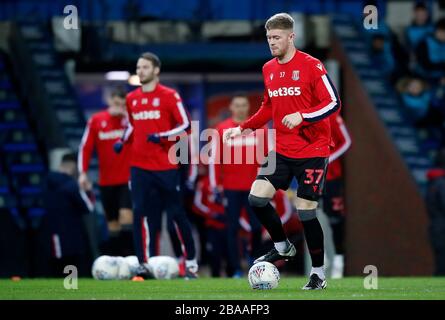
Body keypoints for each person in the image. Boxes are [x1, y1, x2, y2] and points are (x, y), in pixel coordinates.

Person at [223, 13, 341, 290]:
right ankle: (282, 246)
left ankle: (319, 275)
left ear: (291, 37)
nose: (272, 43)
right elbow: (268, 107)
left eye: (276, 38)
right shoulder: (268, 69)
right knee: (257, 198)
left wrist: (303, 116)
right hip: (284, 149)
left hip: (313, 149)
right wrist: (242, 128)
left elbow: (333, 102)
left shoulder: (312, 65)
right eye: (268, 39)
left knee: (306, 211)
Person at [123, 52, 198, 279]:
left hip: (165, 166)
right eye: (138, 67)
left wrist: (163, 136)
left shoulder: (169, 95)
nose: (140, 71)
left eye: (145, 67)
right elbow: (133, 125)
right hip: (139, 165)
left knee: (176, 215)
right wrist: (121, 140)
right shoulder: (131, 98)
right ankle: (142, 264)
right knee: (139, 213)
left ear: (156, 70)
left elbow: (186, 124)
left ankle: (191, 263)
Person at [209, 93, 266, 277]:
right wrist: (215, 185)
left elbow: (268, 158)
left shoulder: (259, 129)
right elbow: (215, 159)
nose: (240, 108)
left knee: (257, 227)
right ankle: (235, 269)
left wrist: (267, 182)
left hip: (254, 187)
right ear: (231, 108)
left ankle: (255, 263)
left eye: (244, 105)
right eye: (237, 105)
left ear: (248, 108)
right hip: (231, 187)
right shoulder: (221, 129)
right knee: (232, 228)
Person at [78, 88, 134, 256]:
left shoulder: (130, 122)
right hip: (106, 181)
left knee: (126, 219)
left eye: (123, 104)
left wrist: (127, 115)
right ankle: (116, 262)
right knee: (113, 225)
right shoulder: (97, 120)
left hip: (127, 179)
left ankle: (131, 260)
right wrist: (83, 172)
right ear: (110, 101)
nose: (119, 107)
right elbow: (85, 147)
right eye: (117, 103)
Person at [41, 152, 93, 277]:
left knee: (57, 264)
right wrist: (89, 191)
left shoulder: (47, 181)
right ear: (74, 166)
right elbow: (88, 207)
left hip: (51, 231)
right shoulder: (72, 185)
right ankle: (70, 286)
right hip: (72, 233)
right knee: (71, 264)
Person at [323, 114, 351, 279]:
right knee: (308, 215)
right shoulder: (299, 115)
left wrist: (327, 159)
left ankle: (339, 260)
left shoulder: (333, 117)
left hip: (331, 177)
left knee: (335, 219)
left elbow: (346, 141)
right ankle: (321, 258)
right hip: (309, 175)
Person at [425, 148, 445, 276]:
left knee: (440, 264)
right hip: (442, 229)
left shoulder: (433, 183)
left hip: (435, 228)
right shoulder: (442, 184)